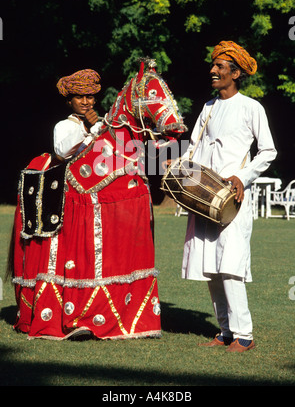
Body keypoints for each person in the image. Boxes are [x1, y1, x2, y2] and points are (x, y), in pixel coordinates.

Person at [10, 67, 162, 340]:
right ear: (69, 100)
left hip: (97, 202)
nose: (87, 102)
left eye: (91, 97)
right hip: (71, 200)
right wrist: (92, 130)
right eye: (80, 97)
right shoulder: (66, 125)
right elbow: (63, 151)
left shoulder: (106, 123)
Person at [182, 41, 277, 352]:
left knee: (231, 265)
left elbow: (268, 151)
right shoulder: (208, 108)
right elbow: (193, 147)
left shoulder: (252, 107)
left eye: (220, 67)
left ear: (235, 73)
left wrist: (243, 176)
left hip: (233, 199)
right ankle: (224, 332)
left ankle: (244, 335)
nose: (213, 70)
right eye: (213, 66)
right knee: (211, 265)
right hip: (203, 196)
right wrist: (180, 170)